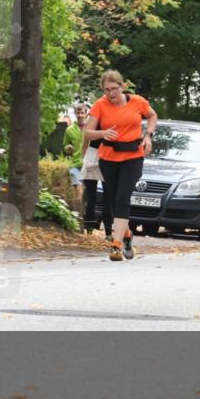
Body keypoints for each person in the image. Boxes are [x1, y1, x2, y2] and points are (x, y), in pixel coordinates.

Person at [84, 70, 158, 261]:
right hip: (108, 157)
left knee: (123, 197)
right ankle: (126, 234)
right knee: (114, 199)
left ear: (122, 86)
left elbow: (152, 116)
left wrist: (148, 135)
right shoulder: (100, 105)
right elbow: (88, 132)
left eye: (114, 89)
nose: (111, 93)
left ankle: (116, 246)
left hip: (133, 157)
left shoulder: (137, 101)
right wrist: (102, 133)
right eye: (107, 89)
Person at [79, 104, 112, 239]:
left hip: (92, 156)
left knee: (91, 195)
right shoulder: (110, 120)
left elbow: (85, 142)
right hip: (106, 156)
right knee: (108, 196)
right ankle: (108, 232)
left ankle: (89, 228)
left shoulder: (91, 121)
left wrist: (84, 158)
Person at [64, 106, 85, 209]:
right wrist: (68, 147)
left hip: (88, 164)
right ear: (75, 114)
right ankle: (78, 211)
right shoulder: (69, 129)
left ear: (86, 114)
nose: (80, 115)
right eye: (78, 113)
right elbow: (65, 145)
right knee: (78, 188)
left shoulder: (91, 127)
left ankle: (81, 211)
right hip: (75, 164)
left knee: (85, 192)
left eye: (82, 113)